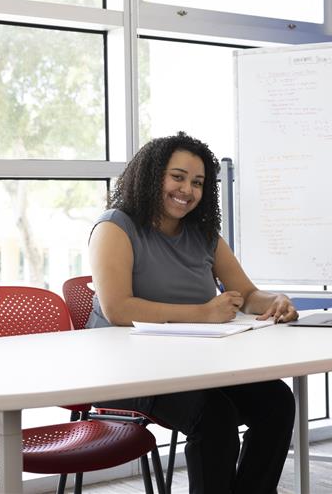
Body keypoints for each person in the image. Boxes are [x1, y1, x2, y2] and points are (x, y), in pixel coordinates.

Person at [87, 131, 299, 494]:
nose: (187, 190)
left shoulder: (204, 235)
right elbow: (118, 308)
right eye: (178, 177)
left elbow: (246, 294)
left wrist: (274, 301)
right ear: (153, 175)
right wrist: (203, 312)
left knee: (277, 401)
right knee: (214, 415)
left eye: (198, 182)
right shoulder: (114, 227)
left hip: (195, 367)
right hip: (127, 371)